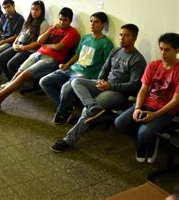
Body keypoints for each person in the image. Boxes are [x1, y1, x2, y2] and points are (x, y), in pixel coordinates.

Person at [50, 24, 147, 152]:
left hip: (117, 92)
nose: (122, 38)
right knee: (75, 82)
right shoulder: (116, 51)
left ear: (134, 38)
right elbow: (105, 68)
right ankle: (92, 106)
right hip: (104, 84)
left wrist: (110, 86)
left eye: (126, 35)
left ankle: (68, 140)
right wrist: (100, 80)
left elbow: (134, 85)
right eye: (121, 34)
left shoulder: (138, 60)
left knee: (87, 112)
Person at [0, 7, 80, 109]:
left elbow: (58, 47)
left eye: (65, 20)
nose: (62, 22)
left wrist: (45, 45)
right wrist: (51, 29)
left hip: (51, 59)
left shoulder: (72, 33)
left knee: (24, 74)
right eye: (60, 19)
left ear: (70, 21)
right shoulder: (53, 28)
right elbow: (39, 41)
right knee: (18, 73)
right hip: (38, 54)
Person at [114, 33, 178, 163]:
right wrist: (137, 108)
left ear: (177, 50)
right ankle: (150, 139)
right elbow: (143, 89)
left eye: (167, 50)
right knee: (120, 122)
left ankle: (145, 142)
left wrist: (154, 115)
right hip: (146, 104)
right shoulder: (153, 65)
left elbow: (176, 100)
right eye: (161, 49)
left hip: (165, 110)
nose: (163, 53)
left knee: (143, 133)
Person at [40, 12, 113, 124]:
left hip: (86, 74)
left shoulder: (106, 43)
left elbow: (106, 65)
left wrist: (99, 79)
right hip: (73, 69)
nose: (92, 24)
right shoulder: (86, 38)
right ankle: (67, 107)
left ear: (103, 25)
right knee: (44, 81)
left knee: (65, 88)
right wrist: (67, 65)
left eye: (96, 22)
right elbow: (77, 54)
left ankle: (61, 111)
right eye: (91, 21)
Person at [0, 0, 49, 81]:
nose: (34, 12)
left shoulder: (44, 23)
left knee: (11, 64)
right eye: (32, 9)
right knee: (0, 58)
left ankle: (14, 82)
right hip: (20, 46)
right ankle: (11, 79)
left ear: (42, 11)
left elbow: (39, 43)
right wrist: (14, 44)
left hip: (30, 50)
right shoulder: (28, 21)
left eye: (37, 10)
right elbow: (20, 34)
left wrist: (24, 48)